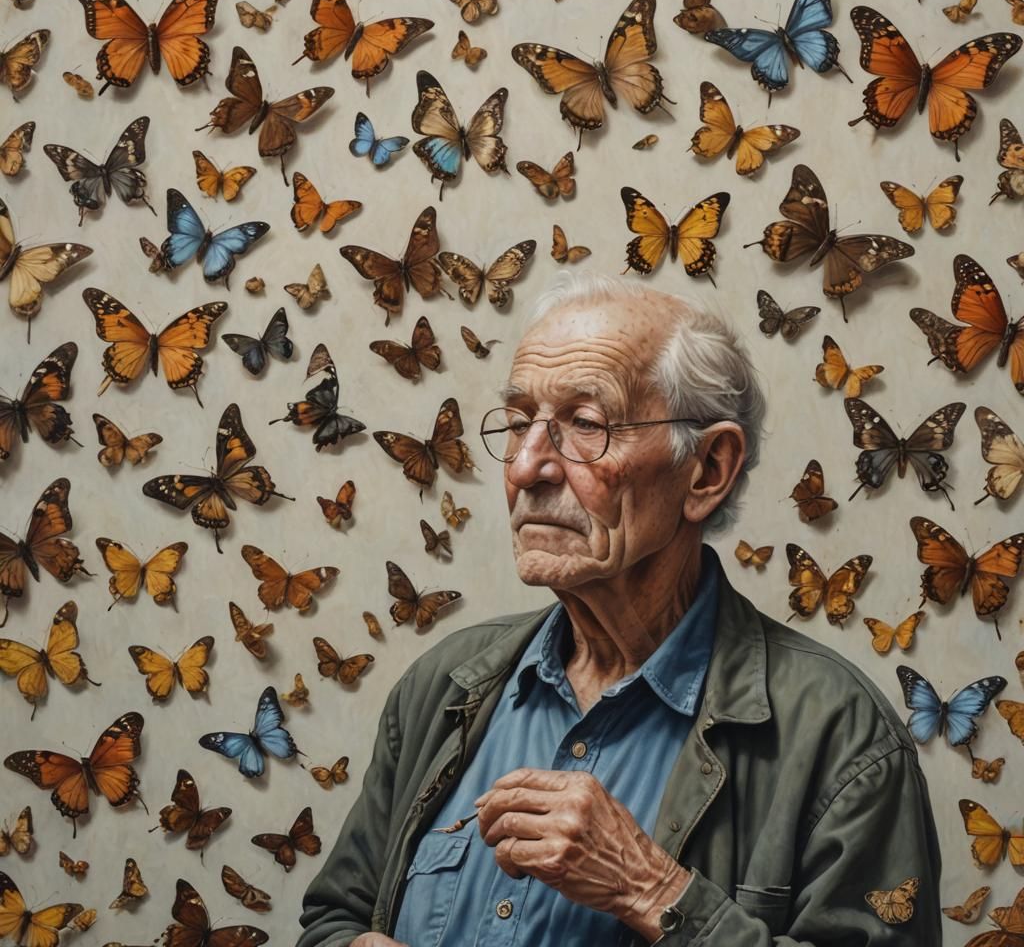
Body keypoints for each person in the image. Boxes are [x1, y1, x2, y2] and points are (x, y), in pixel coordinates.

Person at [299, 273, 941, 947]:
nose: (524, 467)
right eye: (519, 423)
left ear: (707, 470)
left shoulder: (846, 742)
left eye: (585, 424)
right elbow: (335, 916)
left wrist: (651, 890)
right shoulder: (443, 686)